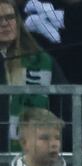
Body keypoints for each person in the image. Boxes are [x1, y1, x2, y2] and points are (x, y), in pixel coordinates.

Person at [0, 0, 65, 152]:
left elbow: (64, 103)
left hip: (33, 156)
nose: (4, 24)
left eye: (10, 17)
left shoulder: (41, 60)